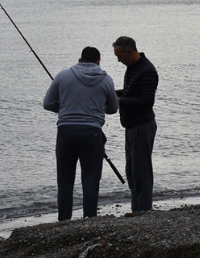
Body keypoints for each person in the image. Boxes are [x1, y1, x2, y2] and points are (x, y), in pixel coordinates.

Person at [43, 46, 119, 221]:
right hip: (92, 134)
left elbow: (48, 104)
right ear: (98, 62)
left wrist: (64, 109)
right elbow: (113, 109)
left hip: (66, 132)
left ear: (79, 60)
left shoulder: (63, 76)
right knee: (91, 179)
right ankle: (90, 218)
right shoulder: (106, 80)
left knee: (65, 179)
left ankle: (64, 220)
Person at [112, 36, 159, 213]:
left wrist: (119, 100)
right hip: (131, 126)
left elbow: (146, 101)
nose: (119, 60)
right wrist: (109, 93)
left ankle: (144, 211)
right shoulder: (132, 67)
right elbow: (130, 92)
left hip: (142, 126)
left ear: (130, 51)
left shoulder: (147, 71)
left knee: (141, 173)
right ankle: (137, 210)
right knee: (132, 172)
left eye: (120, 56)